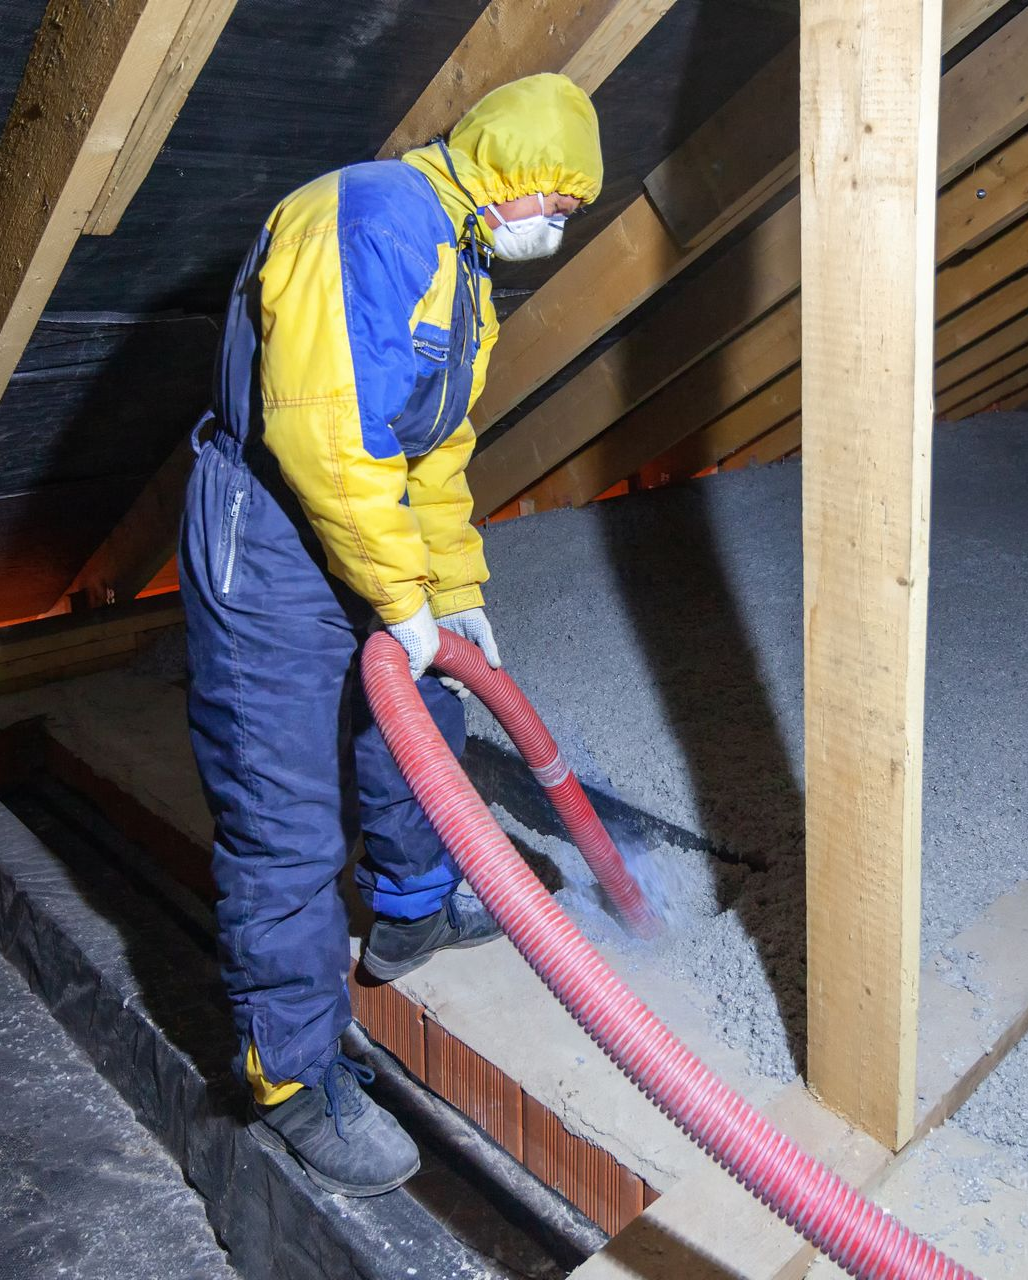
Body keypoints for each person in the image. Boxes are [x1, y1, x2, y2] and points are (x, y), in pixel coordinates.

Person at [179, 73, 603, 1198]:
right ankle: (292, 1073)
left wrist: (450, 592)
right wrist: (400, 598)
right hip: (272, 529)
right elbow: (326, 440)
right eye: (556, 201)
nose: (559, 226)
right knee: (282, 809)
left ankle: (412, 911)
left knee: (417, 720)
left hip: (362, 515)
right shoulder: (372, 218)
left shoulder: (464, 262)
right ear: (506, 169)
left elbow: (436, 451)